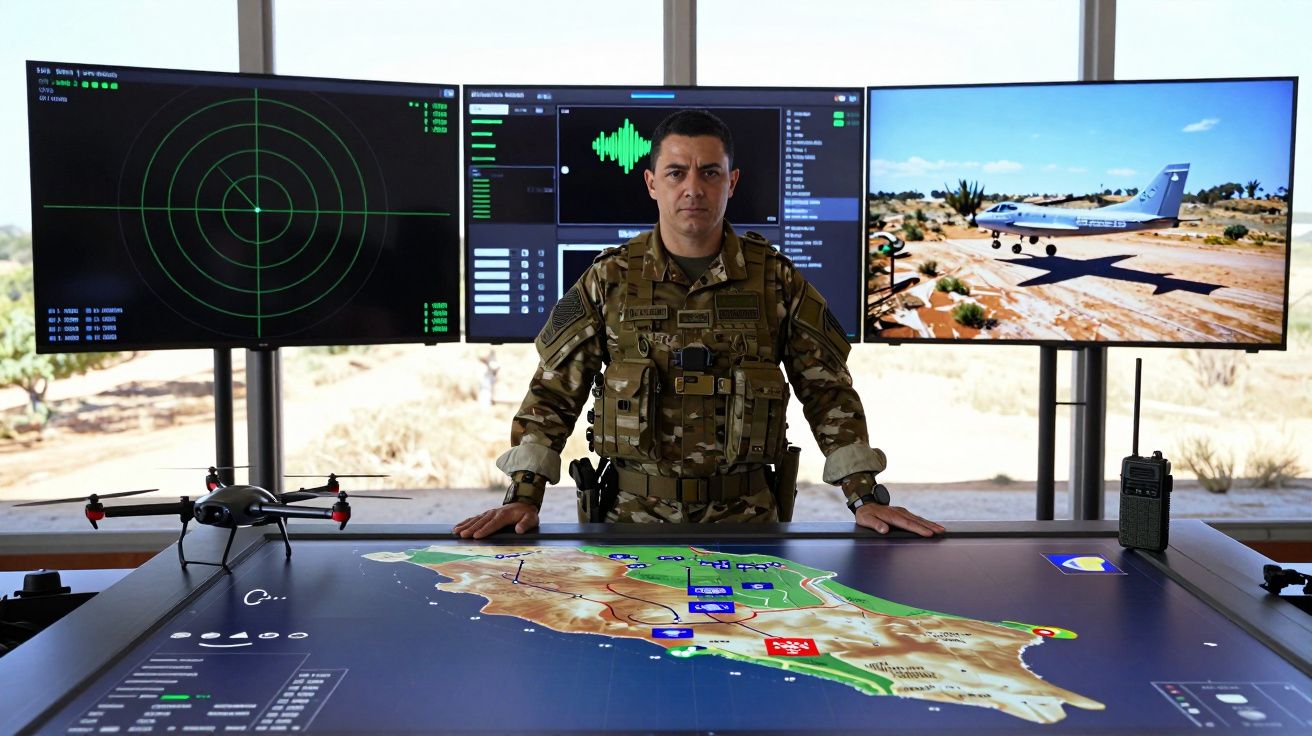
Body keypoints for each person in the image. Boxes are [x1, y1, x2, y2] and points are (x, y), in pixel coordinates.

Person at [454, 110, 944, 540]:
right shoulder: (609, 278)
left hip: (749, 523)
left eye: (710, 172)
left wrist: (865, 497)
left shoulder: (775, 279)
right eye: (676, 172)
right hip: (628, 523)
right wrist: (523, 497)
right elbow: (553, 394)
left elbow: (828, 392)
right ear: (651, 183)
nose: (693, 187)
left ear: (731, 183)